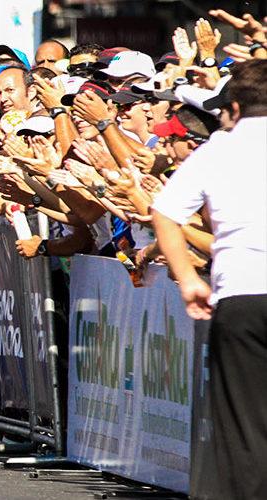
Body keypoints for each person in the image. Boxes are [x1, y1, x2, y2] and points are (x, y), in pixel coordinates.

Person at [151, 59, 267, 500]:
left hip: (242, 295)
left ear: (234, 107)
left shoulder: (219, 148)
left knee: (245, 425)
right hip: (242, 292)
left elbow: (163, 211)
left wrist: (187, 278)